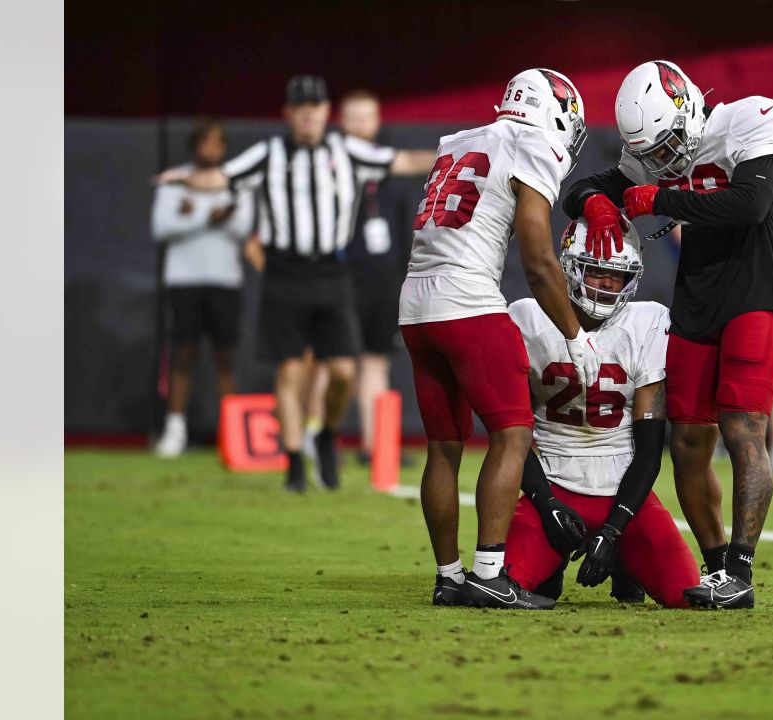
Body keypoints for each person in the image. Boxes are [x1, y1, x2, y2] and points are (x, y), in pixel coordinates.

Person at [564, 60, 773, 609]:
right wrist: (598, 205)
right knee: (688, 441)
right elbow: (577, 190)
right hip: (698, 292)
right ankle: (718, 565)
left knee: (742, 425)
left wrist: (664, 200)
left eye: (669, 143)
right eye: (652, 153)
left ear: (690, 107)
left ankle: (742, 572)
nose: (663, 160)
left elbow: (749, 204)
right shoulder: (649, 152)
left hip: (758, 284)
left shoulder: (748, 118)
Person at [155, 75, 437, 492]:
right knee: (290, 370)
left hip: (332, 272)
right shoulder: (268, 154)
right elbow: (220, 178)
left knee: (342, 370)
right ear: (289, 114)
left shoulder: (347, 151)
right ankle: (293, 463)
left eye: (316, 107)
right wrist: (180, 178)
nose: (308, 114)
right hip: (285, 272)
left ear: (326, 112)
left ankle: (324, 433)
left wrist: (458, 153)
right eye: (300, 108)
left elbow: (402, 161)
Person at [401, 68, 600, 610]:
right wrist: (575, 334)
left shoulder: (460, 141)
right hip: (468, 303)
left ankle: (449, 576)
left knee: (443, 448)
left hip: (416, 303)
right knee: (512, 434)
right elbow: (537, 258)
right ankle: (490, 574)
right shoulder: (531, 143)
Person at [504, 219, 700, 608]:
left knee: (686, 593)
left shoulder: (647, 322)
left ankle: (627, 562)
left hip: (624, 495)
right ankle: (556, 561)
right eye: (597, 270)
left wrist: (614, 530)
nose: (606, 283)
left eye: (617, 274)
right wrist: (546, 505)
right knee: (508, 587)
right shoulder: (527, 317)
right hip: (555, 486)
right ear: (570, 266)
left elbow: (649, 450)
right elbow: (510, 436)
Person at [302, 89, 414, 466]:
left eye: (368, 116)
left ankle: (375, 445)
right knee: (329, 361)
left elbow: (403, 234)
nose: (361, 124)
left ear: (378, 121)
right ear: (341, 121)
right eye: (353, 117)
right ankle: (312, 438)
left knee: (375, 361)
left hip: (382, 282)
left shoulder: (392, 175)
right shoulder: (325, 166)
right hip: (339, 277)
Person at [151, 118, 255, 457]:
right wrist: (206, 219)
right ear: (195, 145)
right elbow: (161, 228)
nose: (212, 150)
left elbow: (242, 226)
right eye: (206, 143)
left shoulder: (235, 180)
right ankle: (175, 430)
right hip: (184, 281)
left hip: (225, 280)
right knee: (183, 354)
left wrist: (196, 216)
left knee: (225, 357)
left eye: (218, 143)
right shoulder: (175, 180)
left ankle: (234, 436)